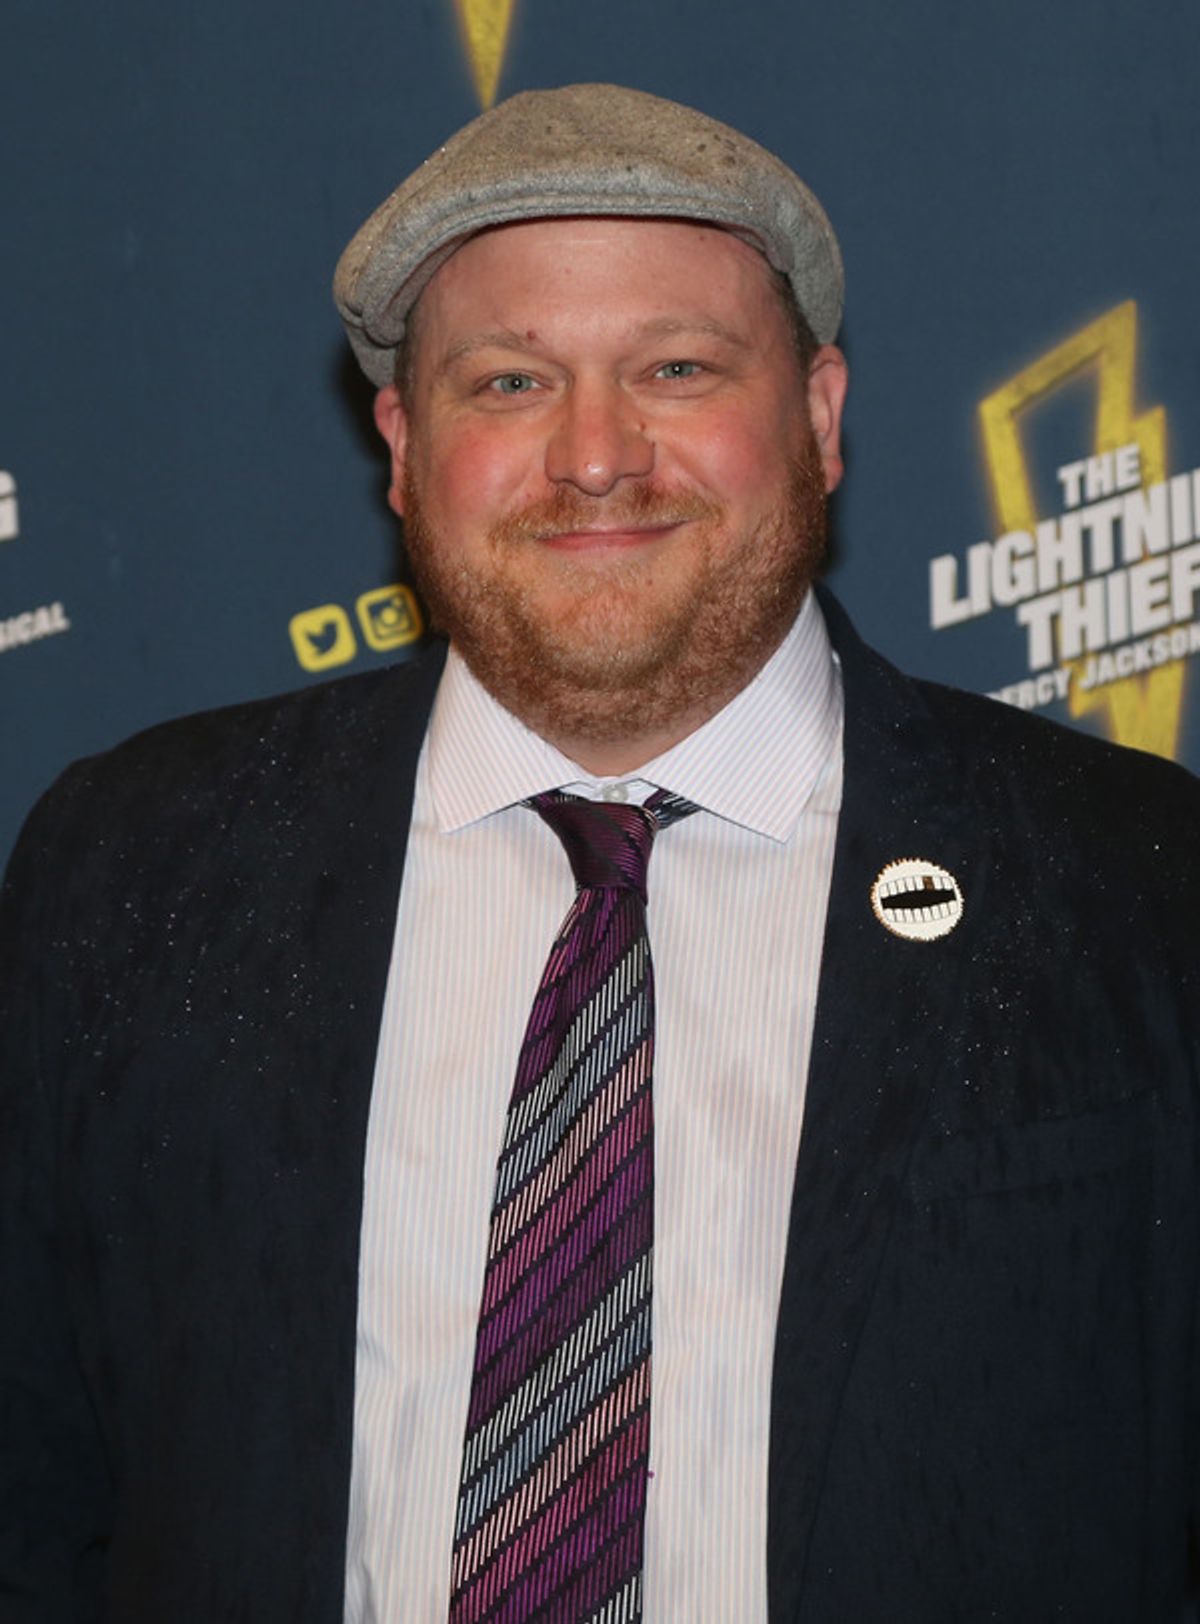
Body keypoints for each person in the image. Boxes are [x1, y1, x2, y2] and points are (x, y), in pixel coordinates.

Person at [1, 82, 1197, 1624]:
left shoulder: (1141, 888)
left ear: (820, 419)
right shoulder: (131, 870)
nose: (595, 456)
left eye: (678, 368)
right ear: (402, 442)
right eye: (507, 383)